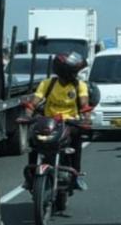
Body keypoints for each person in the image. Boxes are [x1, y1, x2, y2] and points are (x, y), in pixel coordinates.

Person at [24, 52, 93, 191]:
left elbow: (84, 105)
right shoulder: (47, 84)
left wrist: (87, 120)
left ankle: (76, 176)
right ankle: (30, 177)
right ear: (66, 71)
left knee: (76, 142)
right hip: (48, 123)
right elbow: (33, 103)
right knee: (34, 143)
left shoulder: (80, 85)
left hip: (70, 123)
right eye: (74, 71)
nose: (76, 74)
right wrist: (28, 116)